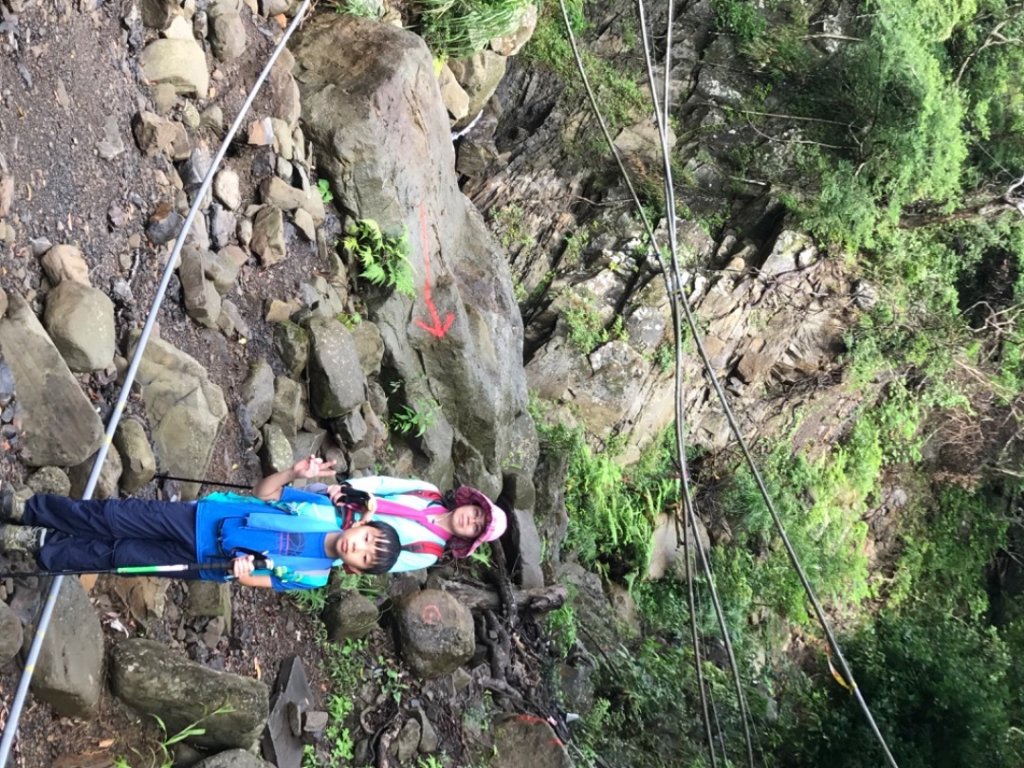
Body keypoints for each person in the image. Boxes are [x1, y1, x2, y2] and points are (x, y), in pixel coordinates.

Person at [0, 457, 406, 591]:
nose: (360, 547)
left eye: (368, 556)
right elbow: (264, 493)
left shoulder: (315, 575)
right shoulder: (323, 510)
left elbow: (262, 582)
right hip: (198, 518)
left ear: (357, 568)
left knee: (119, 557)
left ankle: (37, 544)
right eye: (368, 538)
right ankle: (30, 509)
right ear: (361, 526)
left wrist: (245, 574)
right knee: (113, 515)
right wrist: (291, 472)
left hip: (207, 562)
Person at [322, 475, 508, 572]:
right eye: (476, 513)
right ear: (470, 504)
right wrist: (348, 488)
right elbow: (382, 484)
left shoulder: (428, 553)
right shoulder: (428, 491)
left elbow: (377, 564)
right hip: (336, 500)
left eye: (476, 527)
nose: (470, 520)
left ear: (470, 538)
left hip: (337, 544)